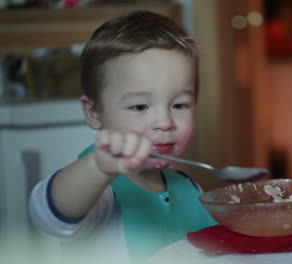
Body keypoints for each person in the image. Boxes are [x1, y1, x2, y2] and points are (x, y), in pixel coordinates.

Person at [28, 10, 217, 263]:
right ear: (94, 112)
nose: (165, 122)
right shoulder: (102, 189)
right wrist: (98, 167)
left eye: (179, 105)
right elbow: (48, 216)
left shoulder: (190, 189)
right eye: (140, 107)